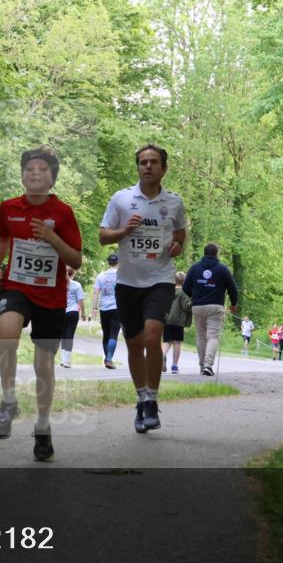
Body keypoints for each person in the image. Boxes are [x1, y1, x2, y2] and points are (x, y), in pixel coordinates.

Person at [0, 146, 83, 461]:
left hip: (51, 296)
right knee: (7, 334)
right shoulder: (8, 207)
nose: (35, 173)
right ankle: (8, 402)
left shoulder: (64, 213)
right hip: (16, 288)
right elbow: (1, 238)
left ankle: (43, 427)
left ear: (52, 177)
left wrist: (51, 237)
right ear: (23, 174)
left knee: (43, 364)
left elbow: (76, 260)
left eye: (42, 169)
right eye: (30, 168)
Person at [99, 143, 187, 433]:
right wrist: (124, 231)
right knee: (135, 345)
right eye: (142, 162)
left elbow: (180, 233)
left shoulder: (174, 202)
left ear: (164, 168)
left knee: (152, 338)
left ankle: (152, 400)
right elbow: (102, 237)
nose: (147, 166)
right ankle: (140, 399)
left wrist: (177, 245)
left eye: (153, 162)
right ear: (137, 167)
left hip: (160, 279)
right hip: (127, 283)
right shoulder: (122, 199)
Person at [183, 243, 238, 376]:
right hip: (215, 307)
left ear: (204, 252)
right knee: (212, 336)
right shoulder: (222, 269)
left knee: (201, 336)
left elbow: (185, 287)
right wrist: (233, 303)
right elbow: (232, 288)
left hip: (198, 306)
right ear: (216, 253)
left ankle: (202, 366)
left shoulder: (195, 268)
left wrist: (195, 296)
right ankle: (208, 365)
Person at [92, 254, 121, 368]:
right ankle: (109, 359)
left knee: (106, 334)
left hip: (104, 308)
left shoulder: (101, 276)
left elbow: (96, 292)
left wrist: (94, 308)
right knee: (113, 334)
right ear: (118, 262)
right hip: (117, 308)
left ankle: (108, 360)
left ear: (108, 262)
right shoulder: (121, 276)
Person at [162, 271, 191, 373]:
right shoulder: (183, 293)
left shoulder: (168, 292)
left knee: (166, 341)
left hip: (167, 320)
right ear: (184, 281)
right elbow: (187, 307)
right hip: (178, 321)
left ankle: (162, 355)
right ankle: (174, 366)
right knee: (177, 342)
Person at [60, 267, 85, 368]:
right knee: (70, 335)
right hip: (73, 311)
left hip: (61, 311)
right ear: (73, 274)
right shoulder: (77, 285)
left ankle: (62, 359)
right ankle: (67, 361)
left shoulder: (61, 284)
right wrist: (83, 313)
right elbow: (81, 301)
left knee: (63, 335)